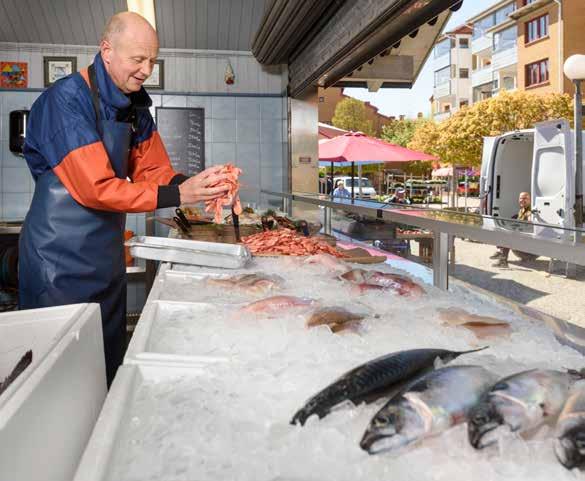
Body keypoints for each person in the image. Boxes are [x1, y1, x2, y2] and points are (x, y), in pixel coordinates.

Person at [18, 12, 232, 386]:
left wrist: (202, 184)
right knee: (57, 381)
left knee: (106, 366)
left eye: (152, 60)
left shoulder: (134, 108)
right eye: (138, 59)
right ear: (107, 51)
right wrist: (182, 192)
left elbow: (157, 174)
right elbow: (95, 188)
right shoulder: (65, 101)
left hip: (106, 261)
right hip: (58, 266)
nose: (146, 69)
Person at [491, 192, 534, 268]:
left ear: (530, 200)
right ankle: (500, 253)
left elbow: (530, 222)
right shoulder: (521, 210)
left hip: (529, 250)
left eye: (525, 198)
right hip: (521, 243)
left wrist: (530, 220)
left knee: (509, 237)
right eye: (521, 198)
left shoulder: (529, 211)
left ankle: (502, 259)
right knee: (504, 231)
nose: (522, 200)